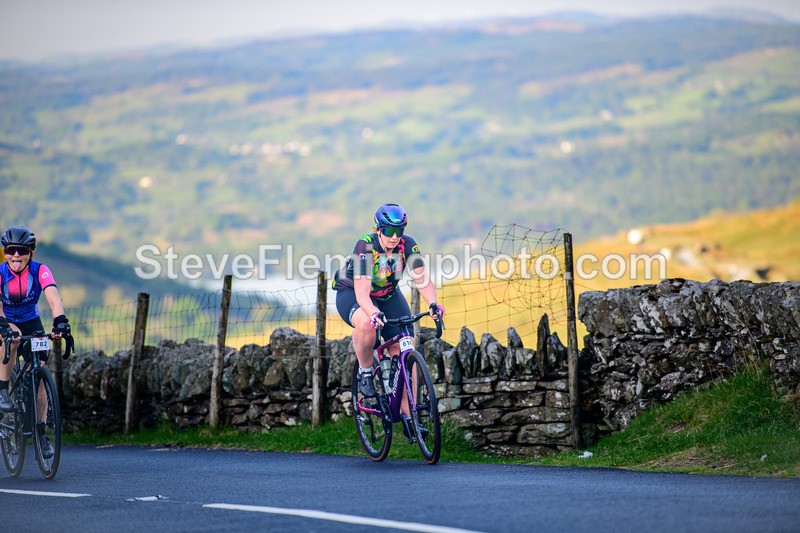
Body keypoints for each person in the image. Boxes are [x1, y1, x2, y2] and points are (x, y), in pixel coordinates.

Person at [333, 203, 444, 408]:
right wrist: (374, 313)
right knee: (367, 323)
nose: (394, 236)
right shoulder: (365, 246)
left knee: (405, 345)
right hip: (352, 292)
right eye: (389, 231)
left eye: (399, 231)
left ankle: (409, 418)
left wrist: (433, 304)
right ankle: (365, 373)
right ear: (378, 229)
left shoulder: (408, 245)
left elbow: (422, 279)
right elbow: (362, 293)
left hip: (387, 295)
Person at [0, 226, 71, 459]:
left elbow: (53, 297)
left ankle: (41, 432)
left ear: (30, 252)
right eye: (11, 250)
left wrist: (60, 321)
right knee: (11, 339)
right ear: (5, 252)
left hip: (32, 322)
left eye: (22, 250)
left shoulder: (40, 271)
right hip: (5, 320)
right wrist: (5, 325)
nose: (16, 255)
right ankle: (2, 390)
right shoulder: (1, 272)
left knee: (40, 373)